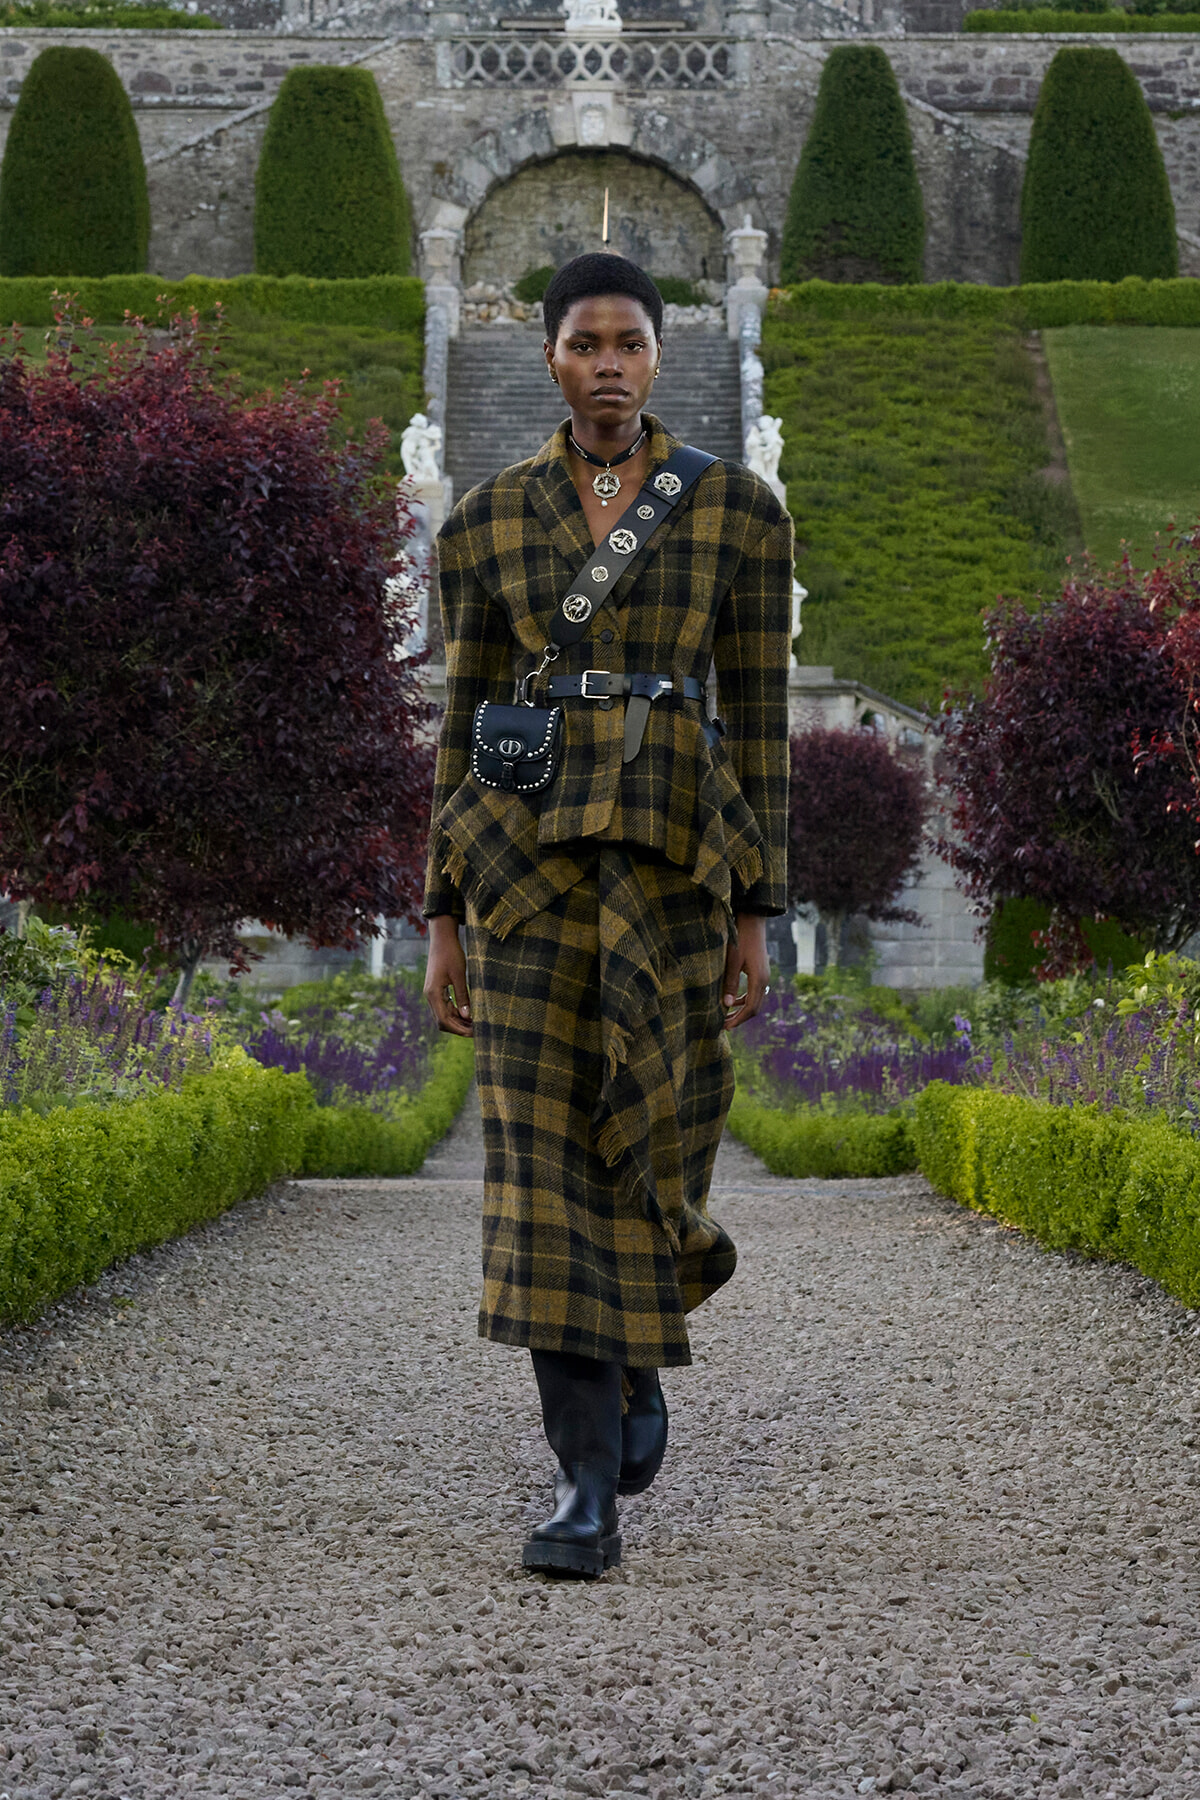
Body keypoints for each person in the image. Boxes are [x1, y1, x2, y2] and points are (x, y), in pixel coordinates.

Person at [422, 253, 792, 1578]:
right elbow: (464, 724)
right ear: (551, 359)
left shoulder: (738, 514)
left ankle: (636, 1350)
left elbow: (758, 721)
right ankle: (585, 1489)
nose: (610, 365)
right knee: (537, 1175)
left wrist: (762, 907)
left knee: (661, 1143)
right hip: (523, 870)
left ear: (660, 356)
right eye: (586, 343)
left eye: (631, 342)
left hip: (679, 870)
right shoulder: (485, 521)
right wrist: (441, 913)